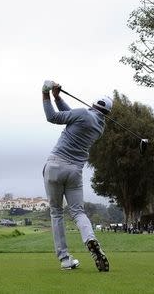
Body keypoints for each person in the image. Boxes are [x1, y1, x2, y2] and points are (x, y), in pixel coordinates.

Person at [42, 80, 110, 271]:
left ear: (93, 105)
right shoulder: (99, 127)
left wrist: (45, 93)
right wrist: (58, 97)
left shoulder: (82, 113)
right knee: (78, 212)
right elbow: (72, 116)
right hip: (74, 172)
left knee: (56, 213)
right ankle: (90, 239)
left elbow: (53, 117)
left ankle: (64, 259)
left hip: (55, 166)